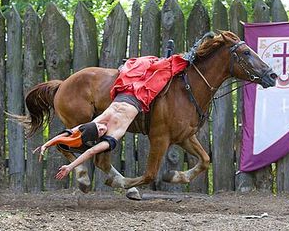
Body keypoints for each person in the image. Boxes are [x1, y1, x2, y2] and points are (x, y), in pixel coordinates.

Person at [34, 54, 188, 180]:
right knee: (165, 69)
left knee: (140, 63)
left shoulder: (99, 120)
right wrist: (71, 166)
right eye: (101, 132)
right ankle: (187, 58)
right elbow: (90, 152)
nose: (101, 128)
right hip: (141, 96)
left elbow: (71, 131)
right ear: (102, 137)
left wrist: (47, 144)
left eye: (98, 127)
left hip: (125, 88)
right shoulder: (114, 135)